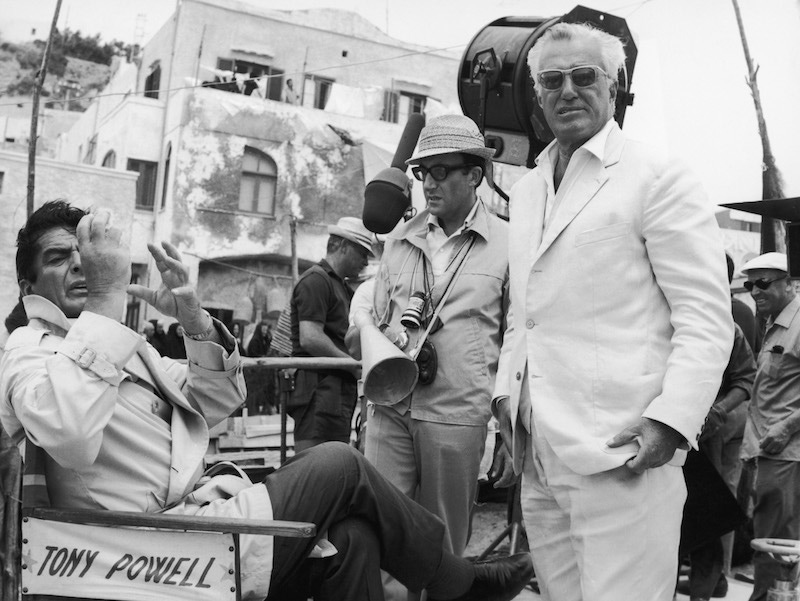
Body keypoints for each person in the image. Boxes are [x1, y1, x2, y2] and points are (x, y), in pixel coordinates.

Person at [0, 200, 533, 601]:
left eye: (83, 255)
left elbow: (216, 399)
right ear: (28, 283)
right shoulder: (28, 351)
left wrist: (191, 317)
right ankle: (458, 582)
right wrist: (106, 296)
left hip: (195, 529)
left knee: (353, 539)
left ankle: (450, 578)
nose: (78, 266)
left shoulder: (122, 345)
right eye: (58, 258)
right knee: (339, 464)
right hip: (141, 555)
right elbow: (69, 433)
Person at [493, 22, 734, 601]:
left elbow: (705, 316)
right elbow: (523, 317)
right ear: (536, 92)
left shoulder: (657, 176)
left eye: (584, 76)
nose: (568, 90)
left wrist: (672, 422)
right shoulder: (527, 192)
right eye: (552, 79)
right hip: (540, 452)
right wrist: (508, 406)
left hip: (626, 451)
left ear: (615, 82)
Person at [352, 113, 512, 601]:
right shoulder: (400, 239)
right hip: (389, 407)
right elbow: (379, 322)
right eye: (423, 173)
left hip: (456, 411)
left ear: (475, 175)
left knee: (444, 543)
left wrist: (509, 429)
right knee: (383, 533)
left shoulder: (510, 244)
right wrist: (366, 404)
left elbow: (522, 341)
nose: (429, 183)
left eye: (443, 171)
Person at [678, 321, 756, 601]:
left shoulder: (726, 327)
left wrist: (718, 411)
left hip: (711, 430)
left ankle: (709, 584)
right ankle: (711, 580)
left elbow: (746, 378)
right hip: (680, 427)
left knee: (711, 509)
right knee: (681, 509)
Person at [739, 252, 800, 601]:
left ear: (788, 284)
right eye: (750, 285)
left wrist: (787, 428)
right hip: (765, 451)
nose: (755, 291)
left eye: (763, 283)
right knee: (766, 537)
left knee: (778, 544)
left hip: (784, 453)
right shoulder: (772, 322)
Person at [289, 216, 372, 451]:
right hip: (318, 390)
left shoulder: (340, 287)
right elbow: (310, 337)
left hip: (333, 391)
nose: (365, 262)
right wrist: (352, 364)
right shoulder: (317, 281)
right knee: (313, 464)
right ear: (343, 246)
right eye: (362, 253)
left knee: (334, 464)